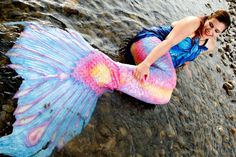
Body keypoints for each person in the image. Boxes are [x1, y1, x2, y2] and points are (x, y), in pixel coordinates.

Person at [124, 10, 231, 81]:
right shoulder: (193, 23)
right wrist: (146, 64)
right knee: (143, 79)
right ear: (208, 18)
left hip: (168, 59)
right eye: (211, 24)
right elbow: (168, 42)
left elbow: (191, 54)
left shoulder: (210, 45)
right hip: (155, 43)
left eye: (216, 31)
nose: (210, 31)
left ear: (220, 33)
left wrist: (186, 67)